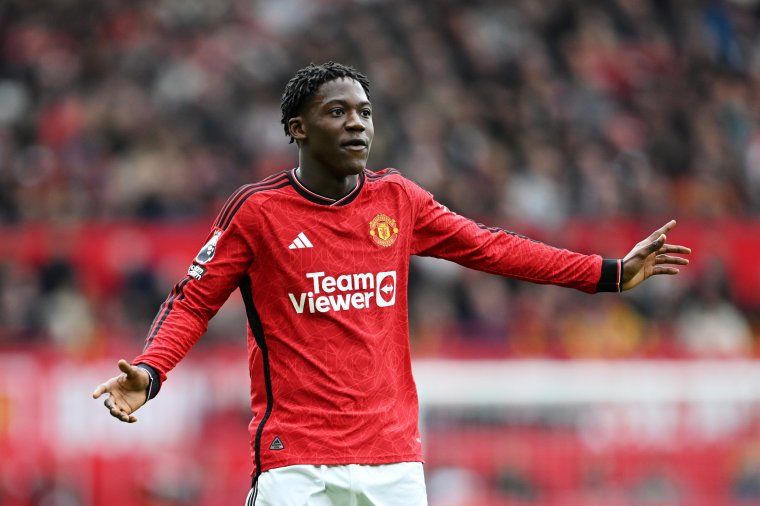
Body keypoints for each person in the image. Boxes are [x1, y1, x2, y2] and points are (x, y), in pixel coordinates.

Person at [92, 62, 691, 505]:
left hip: (395, 462)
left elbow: (492, 248)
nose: (357, 124)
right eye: (337, 112)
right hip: (295, 462)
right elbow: (192, 301)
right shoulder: (257, 213)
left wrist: (607, 274)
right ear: (297, 129)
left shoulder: (398, 200)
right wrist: (150, 371)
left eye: (364, 113)